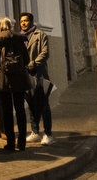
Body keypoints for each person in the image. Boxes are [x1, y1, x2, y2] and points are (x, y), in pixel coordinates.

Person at [0, 17, 30, 152]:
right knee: (20, 110)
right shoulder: (19, 39)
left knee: (7, 111)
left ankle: (10, 143)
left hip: (3, 79)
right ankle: (22, 142)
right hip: (19, 78)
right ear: (10, 26)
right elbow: (27, 59)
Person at [19, 12, 54, 145]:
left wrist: (32, 63)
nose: (23, 23)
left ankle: (48, 134)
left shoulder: (40, 35)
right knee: (31, 106)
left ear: (31, 22)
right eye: (21, 21)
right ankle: (35, 132)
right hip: (26, 77)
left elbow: (45, 53)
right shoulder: (18, 37)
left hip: (39, 75)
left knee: (44, 105)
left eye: (26, 21)